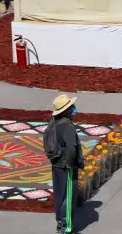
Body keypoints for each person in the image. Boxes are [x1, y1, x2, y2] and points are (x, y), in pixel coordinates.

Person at [44, 93, 82, 234]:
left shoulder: (54, 123)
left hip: (57, 164)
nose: (74, 108)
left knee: (60, 194)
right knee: (68, 196)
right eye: (71, 106)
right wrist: (73, 164)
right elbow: (72, 148)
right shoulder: (68, 127)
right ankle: (65, 227)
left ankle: (60, 222)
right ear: (66, 110)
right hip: (67, 166)